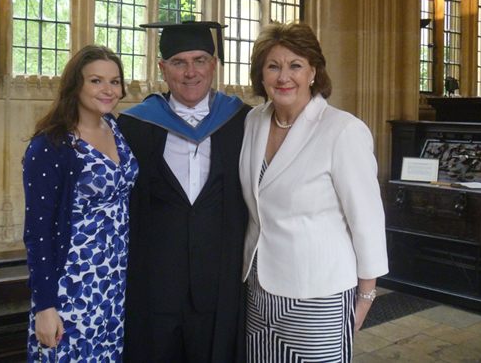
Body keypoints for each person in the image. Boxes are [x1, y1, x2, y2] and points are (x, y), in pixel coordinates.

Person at [239, 21, 388, 362]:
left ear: (313, 73)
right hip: (260, 290)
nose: (283, 77)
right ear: (261, 75)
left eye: (295, 66)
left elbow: (366, 220)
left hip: (318, 293)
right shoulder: (254, 121)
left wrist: (366, 297)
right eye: (273, 66)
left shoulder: (343, 130)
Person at [117, 21, 251, 362]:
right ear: (163, 69)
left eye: (200, 60)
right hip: (155, 285)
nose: (191, 72)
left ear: (214, 65)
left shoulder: (243, 122)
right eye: (179, 62)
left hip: (220, 284)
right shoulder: (135, 126)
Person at [23, 45, 138, 362]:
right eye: (96, 81)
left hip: (114, 282)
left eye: (115, 82)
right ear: (75, 85)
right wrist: (46, 306)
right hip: (73, 284)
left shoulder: (115, 128)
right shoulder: (52, 144)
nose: (108, 90)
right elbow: (38, 232)